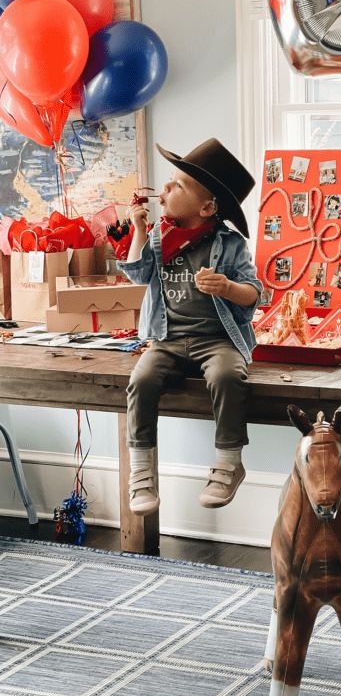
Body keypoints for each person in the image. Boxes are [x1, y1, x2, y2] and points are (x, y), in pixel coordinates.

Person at [118, 137, 262, 517]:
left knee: (228, 376)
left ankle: (229, 462)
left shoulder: (230, 245)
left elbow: (254, 292)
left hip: (216, 340)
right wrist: (137, 230)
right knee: (141, 380)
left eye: (177, 185)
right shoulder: (160, 236)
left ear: (207, 206)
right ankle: (142, 471)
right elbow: (137, 275)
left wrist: (228, 288)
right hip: (166, 340)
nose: (164, 189)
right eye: (169, 181)